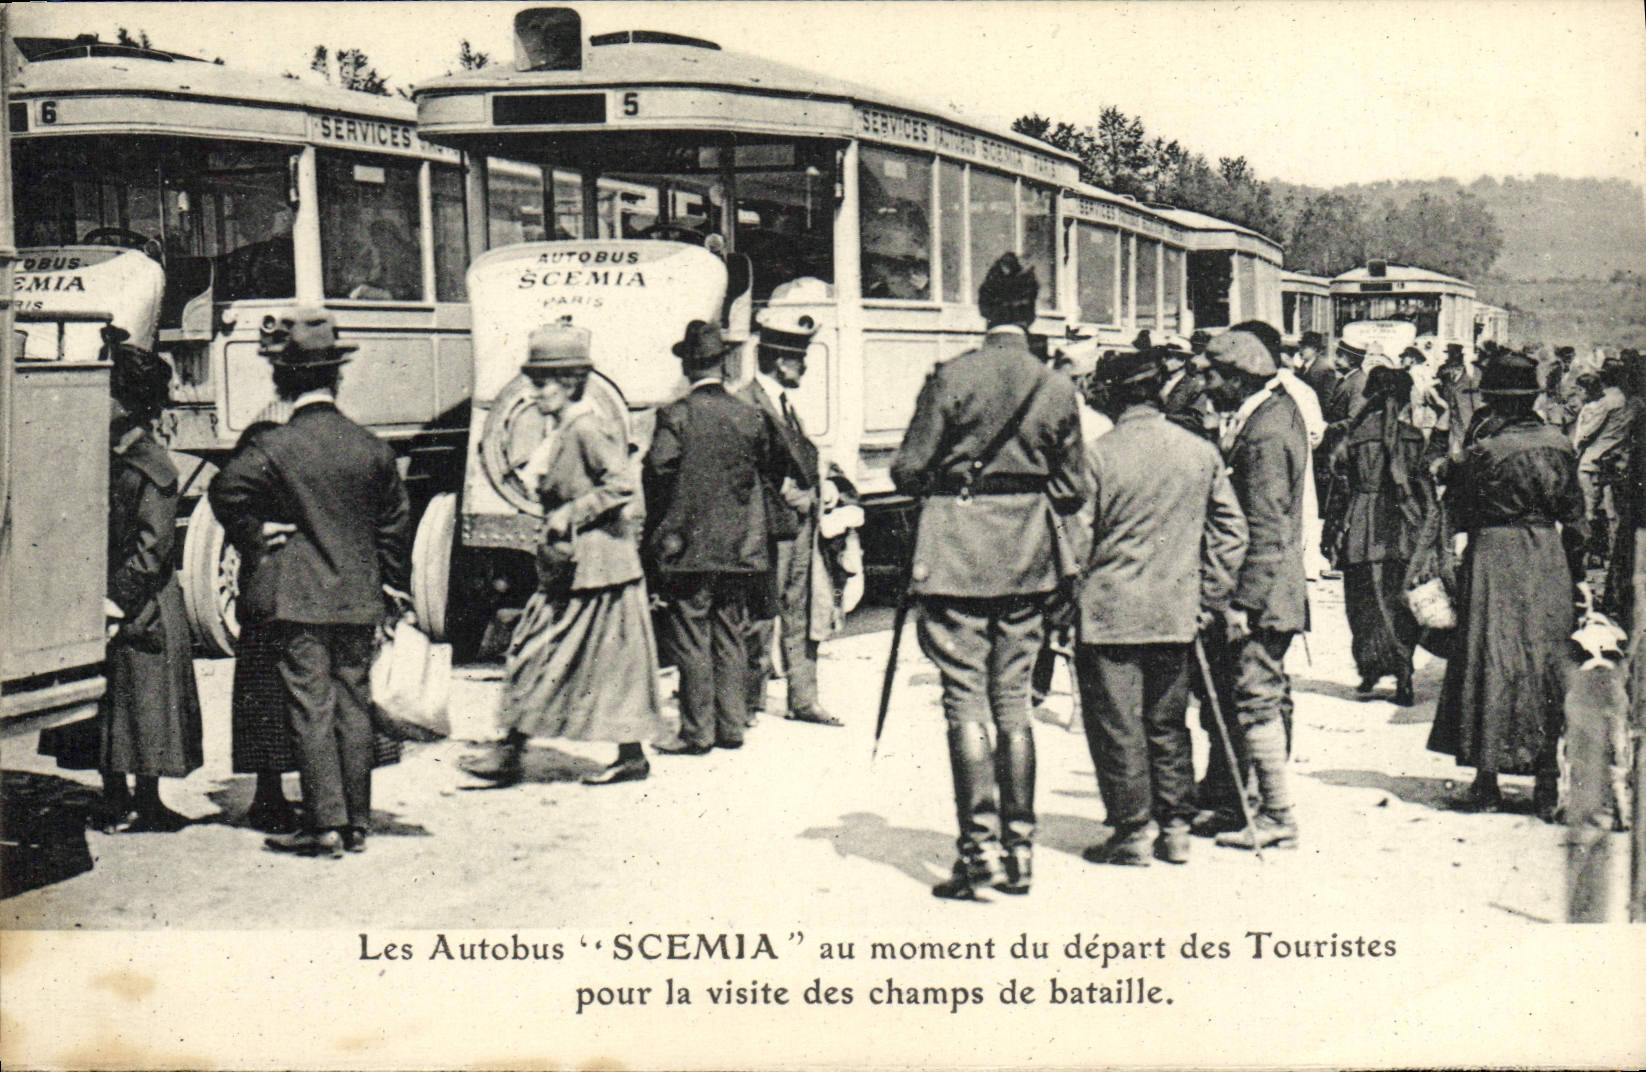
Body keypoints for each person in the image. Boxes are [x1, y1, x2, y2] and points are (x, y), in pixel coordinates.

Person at [891, 252, 1090, 900]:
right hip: (1029, 559)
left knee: (964, 701)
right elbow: (1073, 489)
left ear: (983, 310)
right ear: (1031, 313)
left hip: (955, 556)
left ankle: (977, 855)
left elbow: (907, 468)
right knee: (1014, 703)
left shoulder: (951, 377)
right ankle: (1020, 853)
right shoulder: (1055, 387)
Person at [209, 308, 413, 858]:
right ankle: (357, 824)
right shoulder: (371, 446)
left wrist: (257, 533)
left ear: (283, 379)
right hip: (360, 598)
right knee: (354, 705)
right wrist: (393, 589)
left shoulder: (274, 446)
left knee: (310, 707)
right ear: (336, 377)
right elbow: (394, 528)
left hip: (298, 599)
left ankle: (324, 825)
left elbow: (225, 491)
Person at [463, 322, 666, 788]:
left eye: (544, 382)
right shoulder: (561, 429)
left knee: (557, 656)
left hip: (598, 569)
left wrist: (571, 513)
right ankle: (515, 747)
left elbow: (621, 485)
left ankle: (521, 750)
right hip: (575, 569)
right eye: (533, 381)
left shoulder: (586, 428)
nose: (535, 392)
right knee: (545, 653)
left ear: (572, 382)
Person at [1075, 350, 1247, 867]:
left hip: (1109, 615)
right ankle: (1175, 829)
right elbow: (1232, 533)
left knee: (1118, 725)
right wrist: (1209, 597)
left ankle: (1131, 831)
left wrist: (1067, 601)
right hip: (1176, 612)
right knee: (1168, 723)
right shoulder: (1199, 452)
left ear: (1112, 397)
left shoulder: (1096, 456)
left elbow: (1074, 541)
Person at [39, 338, 203, 833]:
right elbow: (153, 549)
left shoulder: (93, 449)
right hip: (141, 599)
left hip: (100, 591)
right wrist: (119, 601)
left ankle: (119, 799)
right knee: (143, 702)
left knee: (112, 702)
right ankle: (141, 802)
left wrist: (101, 599)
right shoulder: (150, 461)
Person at [1427, 352, 1586, 818]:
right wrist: (1573, 573)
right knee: (1547, 664)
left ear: (1495, 401)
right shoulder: (1560, 445)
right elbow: (1577, 521)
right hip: (1547, 558)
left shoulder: (1484, 452)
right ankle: (1546, 784)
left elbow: (1455, 509)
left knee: (1488, 658)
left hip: (1494, 557)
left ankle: (1487, 781)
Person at [644, 321, 788, 755]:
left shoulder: (676, 415)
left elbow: (659, 470)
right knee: (730, 633)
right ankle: (731, 727)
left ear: (687, 366)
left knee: (691, 636)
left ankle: (697, 732)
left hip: (689, 548)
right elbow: (770, 468)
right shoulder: (749, 415)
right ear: (724, 364)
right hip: (740, 547)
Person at [1194, 330, 1310, 851]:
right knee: (1245, 697)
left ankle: (1276, 816)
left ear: (1238, 378)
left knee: (1257, 700)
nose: (1205, 385)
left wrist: (1244, 602)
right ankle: (1238, 804)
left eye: (1213, 376)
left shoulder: (1265, 433)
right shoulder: (1266, 415)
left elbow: (1268, 527)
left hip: (1261, 597)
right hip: (1264, 591)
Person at [736, 309, 842, 727]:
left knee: (800, 609)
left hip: (797, 525)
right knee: (761, 613)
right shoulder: (748, 402)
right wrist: (791, 493)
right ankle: (747, 702)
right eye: (800, 359)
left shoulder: (781, 403)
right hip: (769, 526)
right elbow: (748, 469)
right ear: (780, 361)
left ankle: (804, 699)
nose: (806, 366)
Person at [1328, 367, 1433, 706]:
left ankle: (1370, 669)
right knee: (1399, 599)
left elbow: (1339, 490)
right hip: (1402, 525)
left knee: (1363, 602)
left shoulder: (1353, 436)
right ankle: (1404, 673)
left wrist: (1332, 534)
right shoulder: (1414, 437)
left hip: (1361, 523)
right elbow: (1423, 487)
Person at [1569, 362, 1631, 553]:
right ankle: (1614, 552)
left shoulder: (1603, 402)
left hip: (1593, 461)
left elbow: (1585, 434)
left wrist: (1574, 449)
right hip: (1619, 460)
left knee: (1588, 509)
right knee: (1613, 511)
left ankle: (1591, 551)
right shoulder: (1628, 400)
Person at [1297, 331, 1338, 402]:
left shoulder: (1324, 368)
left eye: (1304, 347)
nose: (1300, 351)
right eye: (1300, 347)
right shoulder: (1304, 367)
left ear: (1315, 349)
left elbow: (1327, 398)